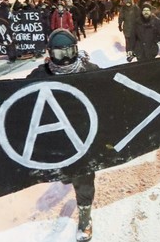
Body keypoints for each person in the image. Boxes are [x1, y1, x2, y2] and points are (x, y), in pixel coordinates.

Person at [27, 29, 99, 242]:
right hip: (57, 139)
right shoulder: (40, 75)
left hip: (84, 138)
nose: (67, 57)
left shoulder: (90, 70)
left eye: (70, 50)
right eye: (60, 53)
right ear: (50, 54)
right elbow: (15, 99)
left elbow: (112, 89)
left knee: (84, 178)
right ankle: (67, 176)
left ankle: (85, 217)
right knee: (65, 172)